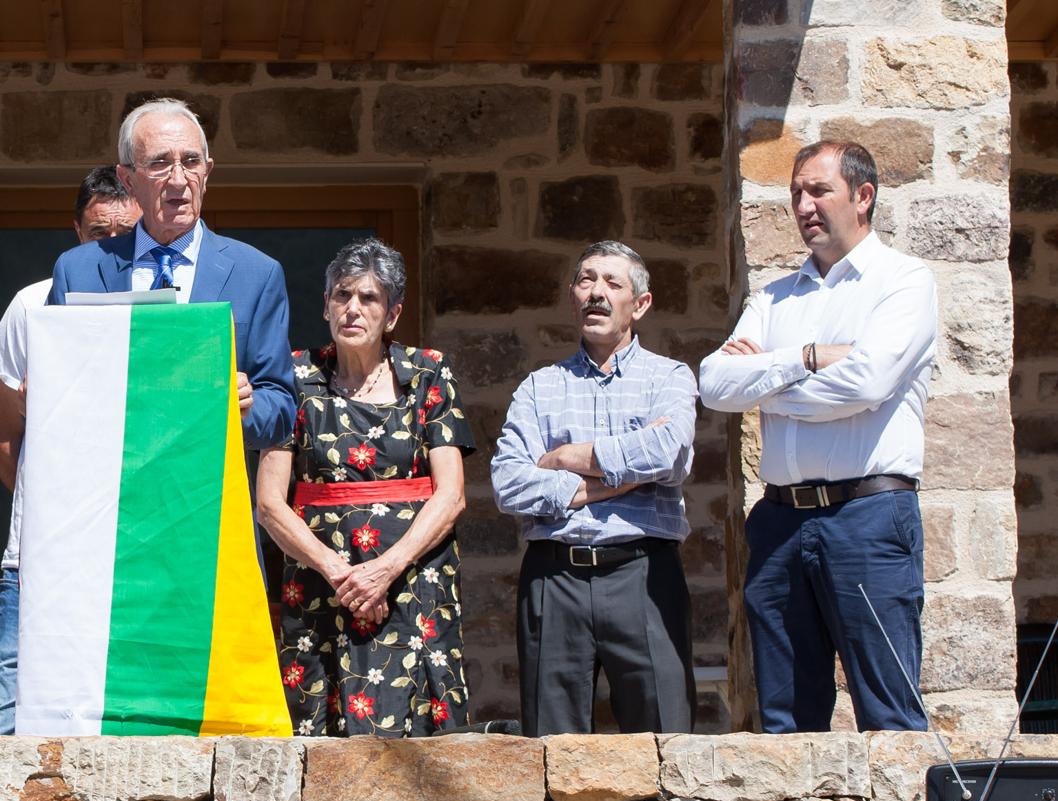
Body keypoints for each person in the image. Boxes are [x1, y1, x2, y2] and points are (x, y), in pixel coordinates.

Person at [700, 141, 935, 733]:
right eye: (795, 193)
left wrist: (767, 384)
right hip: (780, 523)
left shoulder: (902, 281)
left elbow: (867, 382)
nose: (803, 205)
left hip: (869, 516)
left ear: (863, 196)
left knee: (889, 714)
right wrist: (805, 357)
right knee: (786, 722)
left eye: (818, 190)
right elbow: (715, 385)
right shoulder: (775, 297)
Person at [255, 238, 472, 737]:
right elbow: (270, 503)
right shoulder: (294, 376)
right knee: (320, 733)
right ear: (327, 305)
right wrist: (341, 574)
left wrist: (385, 570)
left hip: (413, 584)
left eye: (369, 298)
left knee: (419, 725)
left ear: (392, 314)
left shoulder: (427, 373)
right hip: (320, 585)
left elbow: (452, 495)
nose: (353, 308)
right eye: (342, 295)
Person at [490, 241, 698, 737]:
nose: (596, 294)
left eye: (612, 283)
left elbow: (667, 452)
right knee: (550, 747)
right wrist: (620, 478)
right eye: (586, 281)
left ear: (640, 304)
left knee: (664, 741)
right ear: (572, 296)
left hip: (643, 573)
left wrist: (563, 459)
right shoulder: (539, 387)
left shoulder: (668, 377)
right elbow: (508, 484)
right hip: (554, 577)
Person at [0, 165, 139, 735]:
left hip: (135, 554)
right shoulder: (33, 305)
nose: (113, 243)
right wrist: (56, 512)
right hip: (40, 556)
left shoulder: (159, 308)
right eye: (99, 232)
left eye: (126, 231)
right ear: (76, 231)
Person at [47, 98, 295, 451]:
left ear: (207, 173)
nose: (178, 180)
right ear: (128, 180)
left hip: (207, 493)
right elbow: (55, 394)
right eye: (160, 164)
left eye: (191, 162)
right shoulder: (78, 271)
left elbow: (282, 410)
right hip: (108, 491)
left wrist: (244, 407)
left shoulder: (256, 274)